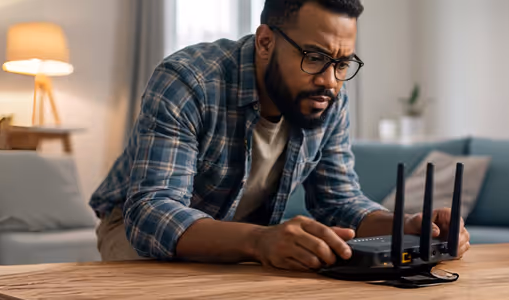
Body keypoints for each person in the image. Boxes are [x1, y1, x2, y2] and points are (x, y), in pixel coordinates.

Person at [89, 0, 469, 271]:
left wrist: (408, 228)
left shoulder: (328, 98)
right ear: (265, 41)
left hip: (248, 237)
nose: (330, 81)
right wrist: (258, 241)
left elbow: (339, 202)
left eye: (342, 64)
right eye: (315, 57)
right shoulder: (189, 81)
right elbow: (152, 213)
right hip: (135, 226)